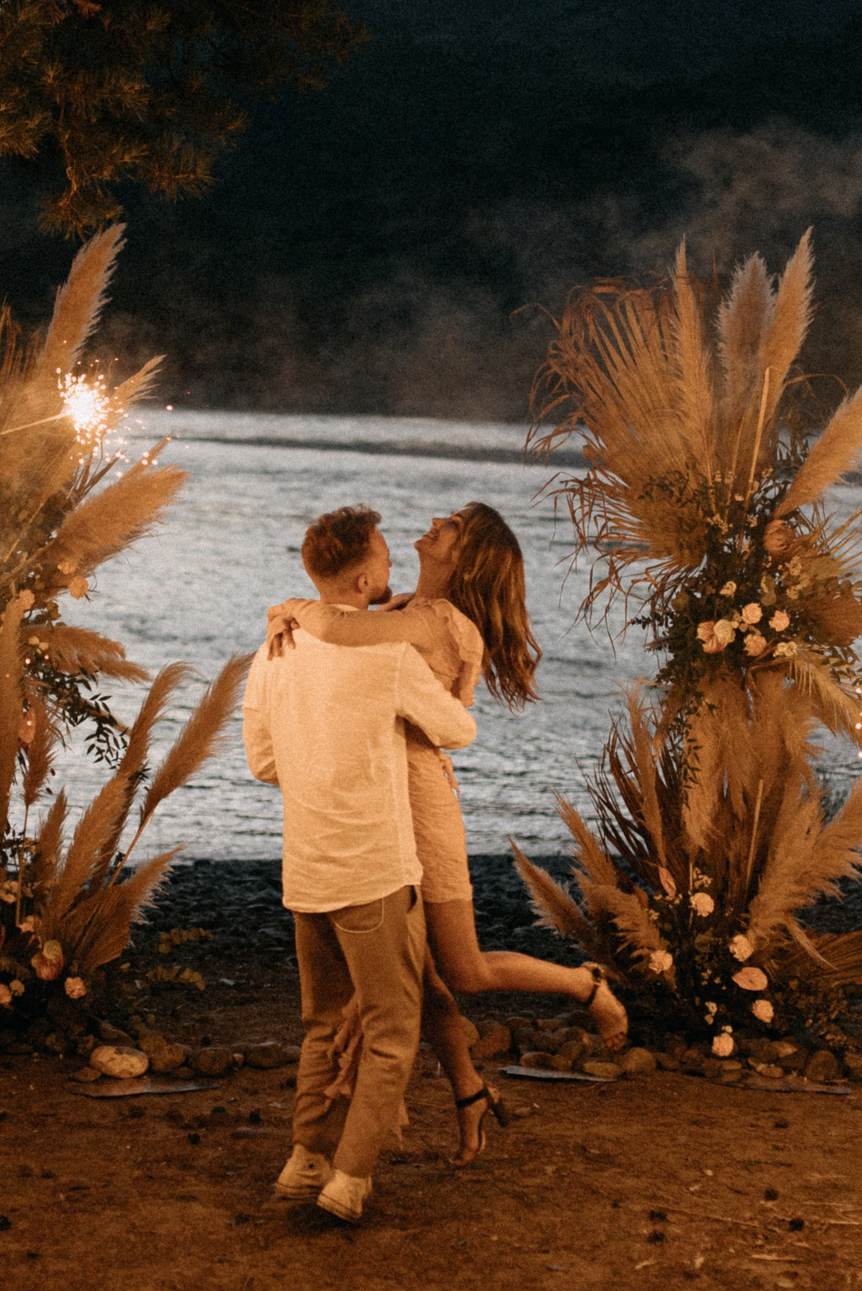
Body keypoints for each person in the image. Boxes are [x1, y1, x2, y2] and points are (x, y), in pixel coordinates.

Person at [264, 502, 625, 1164]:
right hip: (377, 794)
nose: (436, 521)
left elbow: (338, 630)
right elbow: (342, 632)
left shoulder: (437, 622)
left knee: (462, 968)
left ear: (466, 556)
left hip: (419, 803)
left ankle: (585, 983)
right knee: (422, 976)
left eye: (453, 524)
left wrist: (291, 607)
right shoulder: (402, 606)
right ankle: (468, 1092)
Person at [245, 506, 480, 1222]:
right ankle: (349, 1179)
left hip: (306, 870)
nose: (390, 565)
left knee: (323, 1023)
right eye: (383, 558)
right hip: (375, 870)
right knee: (391, 1032)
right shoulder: (388, 656)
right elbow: (458, 731)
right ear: (362, 579)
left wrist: (318, 764)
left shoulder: (274, 649)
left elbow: (262, 762)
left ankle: (306, 1157)